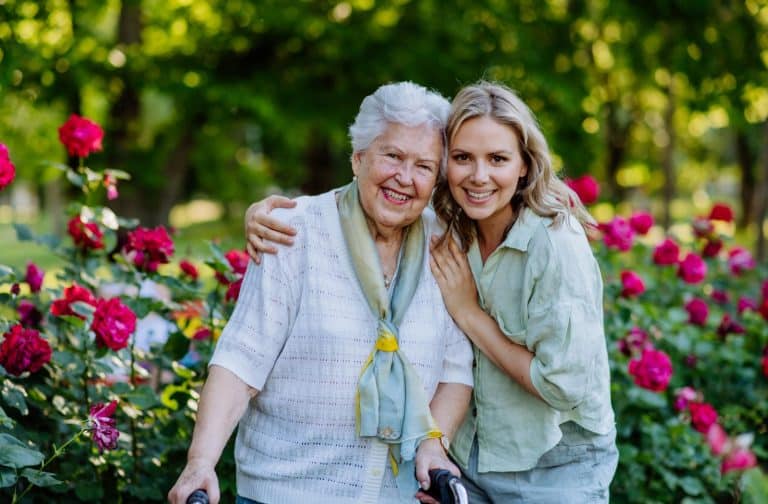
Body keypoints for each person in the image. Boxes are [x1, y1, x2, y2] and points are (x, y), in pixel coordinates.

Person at [244, 81, 618, 503]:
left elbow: (563, 384)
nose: (478, 176)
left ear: (525, 165)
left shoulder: (554, 244)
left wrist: (469, 312)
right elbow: (378, 189)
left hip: (552, 466)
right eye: (462, 158)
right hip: (469, 461)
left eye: (498, 158)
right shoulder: (449, 227)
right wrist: (264, 214)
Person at [168, 82, 474, 504]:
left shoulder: (444, 246)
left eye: (424, 166)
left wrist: (433, 443)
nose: (405, 177)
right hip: (285, 492)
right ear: (358, 157)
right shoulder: (294, 231)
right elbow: (241, 360)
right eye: (392, 156)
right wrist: (200, 463)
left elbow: (456, 370)